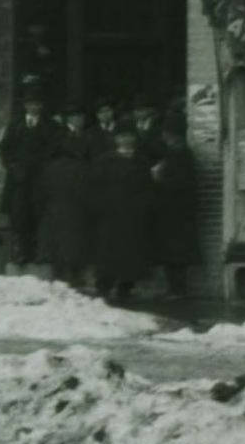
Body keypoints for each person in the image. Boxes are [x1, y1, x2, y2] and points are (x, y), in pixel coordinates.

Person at [85, 124, 159, 306]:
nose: (126, 140)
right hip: (110, 215)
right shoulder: (105, 161)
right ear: (116, 139)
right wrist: (100, 208)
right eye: (122, 136)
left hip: (134, 216)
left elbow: (148, 188)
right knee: (108, 251)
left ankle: (126, 287)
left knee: (132, 253)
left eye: (129, 136)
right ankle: (103, 287)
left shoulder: (142, 161)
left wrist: (145, 207)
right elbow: (94, 187)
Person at [150, 100, 201, 320]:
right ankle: (175, 289)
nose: (166, 138)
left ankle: (178, 290)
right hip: (176, 212)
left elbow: (180, 184)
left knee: (176, 255)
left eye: (168, 134)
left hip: (176, 212)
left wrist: (159, 178)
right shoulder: (179, 154)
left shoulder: (180, 155)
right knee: (174, 254)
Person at [33, 106, 93, 288]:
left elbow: (40, 193)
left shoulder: (49, 168)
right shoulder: (82, 168)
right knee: (75, 245)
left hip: (54, 211)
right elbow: (88, 192)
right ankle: (75, 276)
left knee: (56, 245)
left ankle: (59, 276)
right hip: (76, 211)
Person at [0, 88, 53, 269]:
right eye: (30, 104)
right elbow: (4, 149)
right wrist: (12, 167)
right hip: (19, 180)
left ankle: (38, 253)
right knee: (19, 216)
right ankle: (20, 253)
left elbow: (53, 149)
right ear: (25, 106)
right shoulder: (16, 125)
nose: (33, 107)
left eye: (37, 104)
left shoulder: (49, 125)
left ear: (42, 106)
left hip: (40, 180)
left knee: (39, 215)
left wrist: (44, 169)